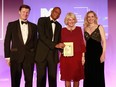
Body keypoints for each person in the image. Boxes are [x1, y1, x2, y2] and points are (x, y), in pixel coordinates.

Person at [4, 4, 37, 87]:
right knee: (15, 81)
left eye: (27, 12)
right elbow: (7, 41)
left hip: (29, 58)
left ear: (29, 13)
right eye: (23, 12)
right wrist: (7, 57)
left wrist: (35, 57)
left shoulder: (34, 26)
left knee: (29, 81)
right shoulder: (11, 25)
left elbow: (35, 42)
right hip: (15, 57)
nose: (25, 14)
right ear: (19, 12)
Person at [35, 7, 64, 87]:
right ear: (51, 11)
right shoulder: (42, 20)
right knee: (41, 79)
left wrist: (63, 48)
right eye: (55, 12)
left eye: (58, 13)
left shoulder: (59, 26)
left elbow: (59, 40)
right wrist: (55, 45)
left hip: (53, 56)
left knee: (53, 80)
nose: (56, 14)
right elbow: (42, 36)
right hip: (41, 55)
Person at [60, 12, 86, 87]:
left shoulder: (79, 29)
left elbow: (82, 43)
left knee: (76, 78)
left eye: (73, 19)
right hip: (66, 57)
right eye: (69, 19)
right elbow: (60, 43)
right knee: (67, 78)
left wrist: (83, 56)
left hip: (77, 57)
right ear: (66, 21)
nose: (71, 21)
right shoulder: (62, 30)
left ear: (75, 20)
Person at [83, 11, 106, 87]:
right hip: (88, 54)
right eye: (89, 17)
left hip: (97, 54)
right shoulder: (85, 28)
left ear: (95, 17)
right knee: (88, 74)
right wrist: (83, 56)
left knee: (98, 74)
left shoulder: (100, 27)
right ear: (87, 18)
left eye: (92, 16)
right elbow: (85, 44)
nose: (90, 18)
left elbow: (104, 41)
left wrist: (103, 54)